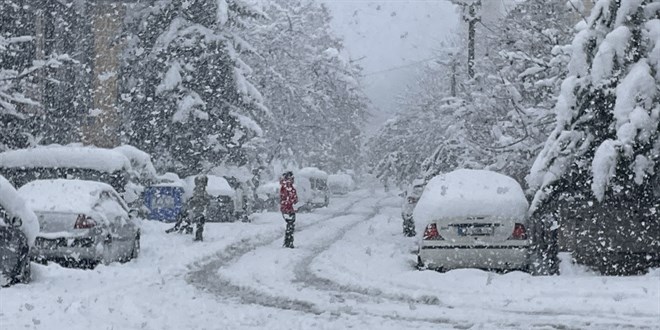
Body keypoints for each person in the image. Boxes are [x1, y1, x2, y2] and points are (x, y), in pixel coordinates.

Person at [188, 175, 211, 242]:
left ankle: (198, 237)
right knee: (200, 224)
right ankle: (199, 237)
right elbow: (205, 200)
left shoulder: (198, 190)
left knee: (199, 224)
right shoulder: (201, 190)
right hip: (200, 210)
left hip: (199, 210)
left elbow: (196, 199)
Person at [279, 171, 298, 248]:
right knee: (290, 225)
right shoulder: (287, 187)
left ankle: (288, 242)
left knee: (290, 225)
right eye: (292, 177)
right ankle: (289, 242)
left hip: (287, 208)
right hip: (288, 209)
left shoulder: (287, 186)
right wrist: (293, 202)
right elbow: (288, 198)